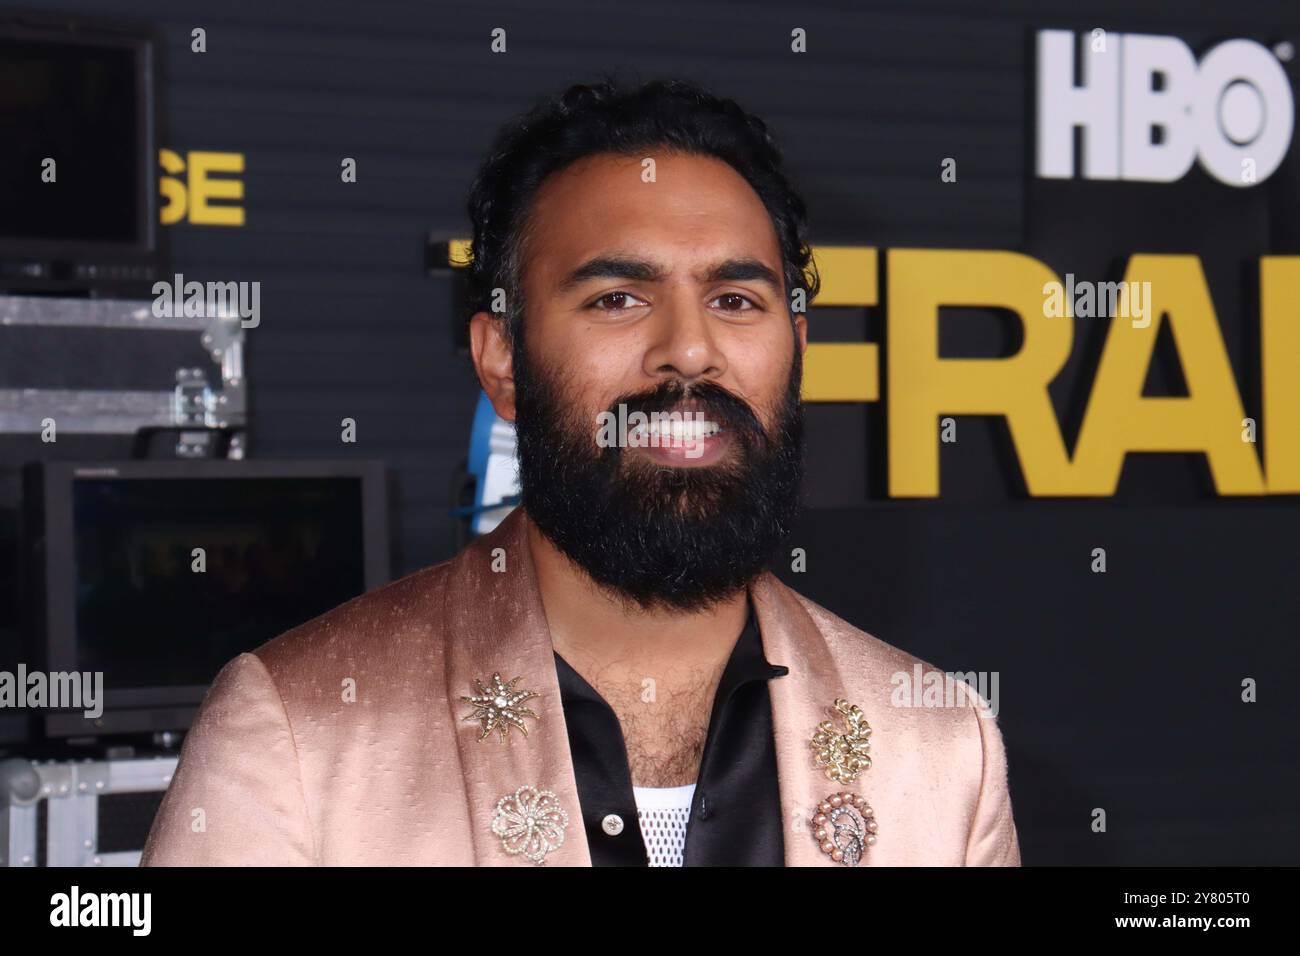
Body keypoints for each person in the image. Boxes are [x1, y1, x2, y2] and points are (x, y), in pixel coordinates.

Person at [141, 78, 1020, 867]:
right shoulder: (300, 730)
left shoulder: (939, 747)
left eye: (736, 299)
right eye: (617, 299)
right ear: (503, 363)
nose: (689, 349)